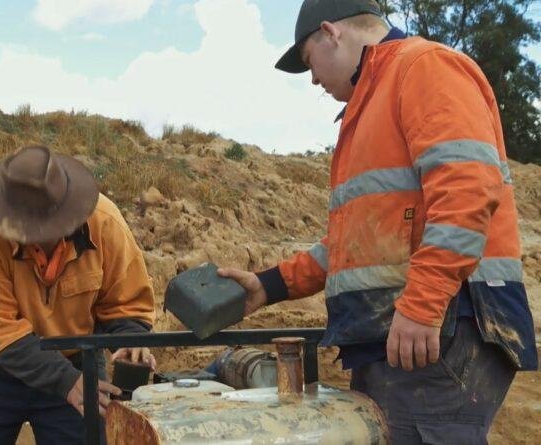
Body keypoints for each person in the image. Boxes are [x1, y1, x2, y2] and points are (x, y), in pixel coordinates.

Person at [219, 0, 537, 443]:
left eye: (310, 61)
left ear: (331, 33)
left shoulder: (423, 67)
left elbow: (466, 192)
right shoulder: (374, 98)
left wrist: (423, 304)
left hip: (442, 333)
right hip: (406, 336)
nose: (314, 79)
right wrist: (268, 285)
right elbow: (355, 245)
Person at [0, 145, 156, 444]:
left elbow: (126, 299)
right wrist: (65, 381)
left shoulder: (104, 221)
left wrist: (130, 338)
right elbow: (2, 334)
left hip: (76, 363)